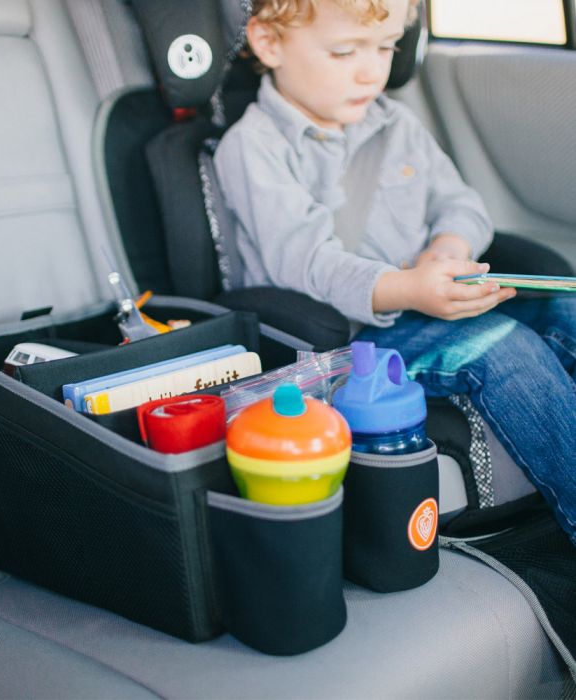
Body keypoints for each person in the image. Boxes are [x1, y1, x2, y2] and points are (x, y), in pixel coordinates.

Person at [214, 0, 576, 545]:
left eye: (385, 47)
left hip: (425, 302)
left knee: (565, 310)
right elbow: (307, 262)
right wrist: (406, 288)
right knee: (502, 346)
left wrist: (445, 248)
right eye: (344, 51)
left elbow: (463, 204)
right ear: (269, 43)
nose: (372, 70)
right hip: (350, 344)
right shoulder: (253, 148)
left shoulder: (395, 122)